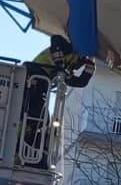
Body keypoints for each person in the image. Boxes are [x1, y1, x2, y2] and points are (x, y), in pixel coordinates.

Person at [18, 34, 95, 168]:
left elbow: (79, 82)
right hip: (33, 76)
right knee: (36, 115)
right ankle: (22, 144)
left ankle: (29, 149)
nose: (78, 65)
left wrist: (90, 67)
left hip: (40, 84)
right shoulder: (69, 48)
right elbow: (55, 39)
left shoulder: (70, 66)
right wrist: (60, 64)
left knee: (43, 121)